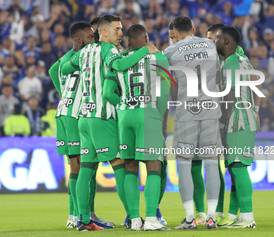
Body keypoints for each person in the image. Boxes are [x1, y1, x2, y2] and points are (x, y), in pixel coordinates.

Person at [61, 14, 159, 231]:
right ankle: (133, 217)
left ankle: (83, 220)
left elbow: (64, 69)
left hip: (83, 119)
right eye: (117, 29)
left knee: (86, 168)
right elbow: (121, 65)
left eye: (121, 29)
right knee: (121, 165)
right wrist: (145, 50)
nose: (121, 33)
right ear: (104, 32)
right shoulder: (108, 50)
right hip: (102, 117)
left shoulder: (84, 51)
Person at [104, 24, 171, 231]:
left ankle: (134, 219)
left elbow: (108, 93)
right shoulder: (158, 57)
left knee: (130, 167)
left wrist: (124, 103)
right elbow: (165, 92)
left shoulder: (119, 60)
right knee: (153, 166)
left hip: (125, 115)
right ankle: (151, 218)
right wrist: (158, 117)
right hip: (147, 112)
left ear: (128, 41)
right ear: (146, 38)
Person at [164, 15, 221, 230]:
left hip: (187, 111)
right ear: (194, 28)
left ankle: (190, 219)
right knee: (212, 163)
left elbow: (167, 80)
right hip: (210, 110)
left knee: (185, 164)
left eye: (172, 37)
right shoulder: (210, 44)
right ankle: (212, 217)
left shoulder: (170, 51)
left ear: (176, 34)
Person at [49, 21, 106, 229]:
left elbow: (52, 70)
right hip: (74, 116)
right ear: (80, 39)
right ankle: (77, 215)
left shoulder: (65, 58)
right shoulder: (85, 56)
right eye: (91, 37)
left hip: (63, 111)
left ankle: (74, 215)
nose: (94, 40)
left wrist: (63, 94)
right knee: (78, 166)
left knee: (74, 165)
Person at [215, 26, 257, 228]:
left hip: (237, 121)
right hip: (247, 118)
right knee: (236, 167)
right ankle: (236, 215)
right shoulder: (243, 60)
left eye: (217, 38)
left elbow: (229, 99)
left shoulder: (230, 64)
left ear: (226, 41)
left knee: (238, 167)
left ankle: (248, 217)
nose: (214, 41)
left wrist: (221, 122)